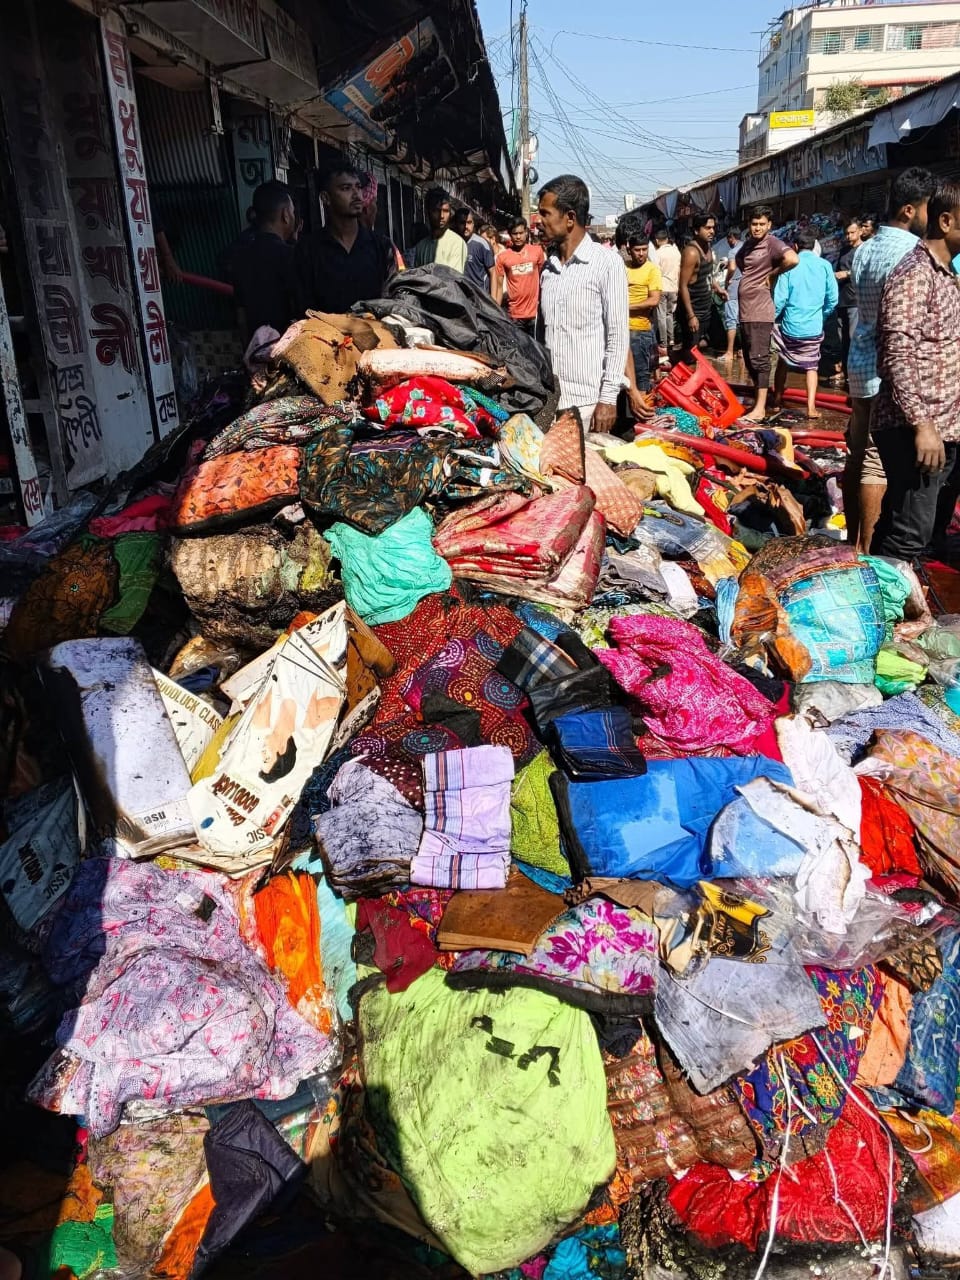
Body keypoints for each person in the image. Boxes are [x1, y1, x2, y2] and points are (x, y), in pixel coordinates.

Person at [845, 167, 936, 551]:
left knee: (859, 455)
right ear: (910, 210)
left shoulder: (864, 249)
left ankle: (853, 541)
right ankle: (866, 551)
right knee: (876, 462)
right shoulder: (911, 254)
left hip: (861, 361)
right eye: (928, 208)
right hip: (888, 368)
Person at [871, 180, 960, 562]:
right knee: (910, 533)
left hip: (944, 426)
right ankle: (882, 595)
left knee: (910, 524)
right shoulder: (915, 274)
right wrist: (923, 426)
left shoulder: (945, 274)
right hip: (914, 427)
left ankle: (882, 585)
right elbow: (898, 354)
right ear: (946, 221)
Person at [537, 173, 628, 433]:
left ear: (569, 218)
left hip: (588, 405)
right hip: (550, 401)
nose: (539, 221)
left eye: (545, 214)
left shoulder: (606, 263)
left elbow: (618, 335)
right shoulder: (548, 268)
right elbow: (541, 334)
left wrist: (608, 398)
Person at [295, 164, 396, 314]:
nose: (357, 195)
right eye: (346, 188)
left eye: (358, 187)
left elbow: (395, 299)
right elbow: (303, 308)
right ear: (325, 198)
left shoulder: (382, 246)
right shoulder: (307, 250)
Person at [732, 206, 799, 422]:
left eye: (762, 224)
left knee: (760, 359)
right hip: (746, 311)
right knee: (750, 359)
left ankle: (760, 408)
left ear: (769, 225)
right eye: (754, 224)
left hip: (760, 312)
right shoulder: (748, 245)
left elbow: (793, 259)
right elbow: (739, 261)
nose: (757, 228)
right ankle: (757, 402)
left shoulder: (772, 243)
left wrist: (772, 275)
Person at [770, 228, 838, 419]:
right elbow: (833, 298)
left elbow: (780, 299)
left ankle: (777, 399)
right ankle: (811, 407)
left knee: (783, 361)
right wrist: (822, 316)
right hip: (813, 327)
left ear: (795, 246)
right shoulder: (825, 265)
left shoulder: (790, 265)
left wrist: (771, 319)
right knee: (812, 366)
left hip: (791, 327)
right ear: (815, 245)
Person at [226, 180, 298, 340]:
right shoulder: (291, 255)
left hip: (256, 347)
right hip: (287, 346)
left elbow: (241, 316)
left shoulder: (239, 257)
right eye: (292, 212)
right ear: (285, 215)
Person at [495, 217, 545, 336]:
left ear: (526, 232)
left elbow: (543, 280)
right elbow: (498, 287)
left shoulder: (537, 251)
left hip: (535, 314)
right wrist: (496, 312)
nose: (518, 237)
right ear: (510, 235)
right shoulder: (502, 257)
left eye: (521, 233)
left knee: (536, 346)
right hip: (514, 315)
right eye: (515, 234)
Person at [676, 214, 716, 361]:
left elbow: (707, 275)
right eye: (707, 228)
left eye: (713, 228)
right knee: (691, 352)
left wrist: (717, 288)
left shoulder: (708, 248)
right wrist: (691, 316)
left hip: (705, 308)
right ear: (696, 231)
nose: (712, 231)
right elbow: (683, 286)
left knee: (703, 346)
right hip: (693, 310)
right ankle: (678, 363)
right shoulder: (692, 253)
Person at [624, 235, 661, 392]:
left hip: (639, 331)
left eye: (644, 250)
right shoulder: (623, 267)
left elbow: (654, 300)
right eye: (637, 250)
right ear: (629, 250)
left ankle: (643, 405)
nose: (641, 254)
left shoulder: (652, 270)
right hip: (621, 329)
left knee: (641, 376)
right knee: (622, 379)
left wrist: (625, 307)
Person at [409, 188, 468, 272]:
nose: (441, 216)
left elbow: (453, 278)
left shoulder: (457, 244)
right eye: (436, 211)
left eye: (446, 211)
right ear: (427, 212)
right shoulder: (421, 247)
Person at [833, 218, 863, 381]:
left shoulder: (864, 250)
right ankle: (844, 370)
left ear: (860, 231)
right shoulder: (844, 251)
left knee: (853, 338)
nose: (849, 236)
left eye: (852, 233)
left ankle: (854, 373)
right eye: (847, 233)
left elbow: (866, 270)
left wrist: (848, 273)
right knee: (841, 338)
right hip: (842, 300)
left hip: (855, 301)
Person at [713, 228, 743, 361]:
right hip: (745, 287)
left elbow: (732, 267)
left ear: (731, 238)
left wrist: (727, 280)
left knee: (731, 320)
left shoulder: (733, 251)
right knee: (742, 319)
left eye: (728, 239)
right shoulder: (746, 247)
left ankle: (730, 352)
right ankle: (742, 350)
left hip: (734, 287)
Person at [454, 208, 496, 293]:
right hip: (460, 296)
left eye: (469, 222)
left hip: (480, 297)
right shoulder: (453, 243)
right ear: (456, 224)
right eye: (462, 223)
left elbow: (493, 272)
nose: (466, 226)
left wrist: (493, 300)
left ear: (473, 224)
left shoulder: (481, 244)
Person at [653, 228, 681, 353]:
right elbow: (679, 271)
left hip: (662, 287)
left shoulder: (657, 254)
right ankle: (671, 339)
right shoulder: (676, 252)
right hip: (674, 287)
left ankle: (663, 342)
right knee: (670, 314)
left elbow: (656, 273)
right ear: (667, 239)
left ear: (657, 240)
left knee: (661, 316)